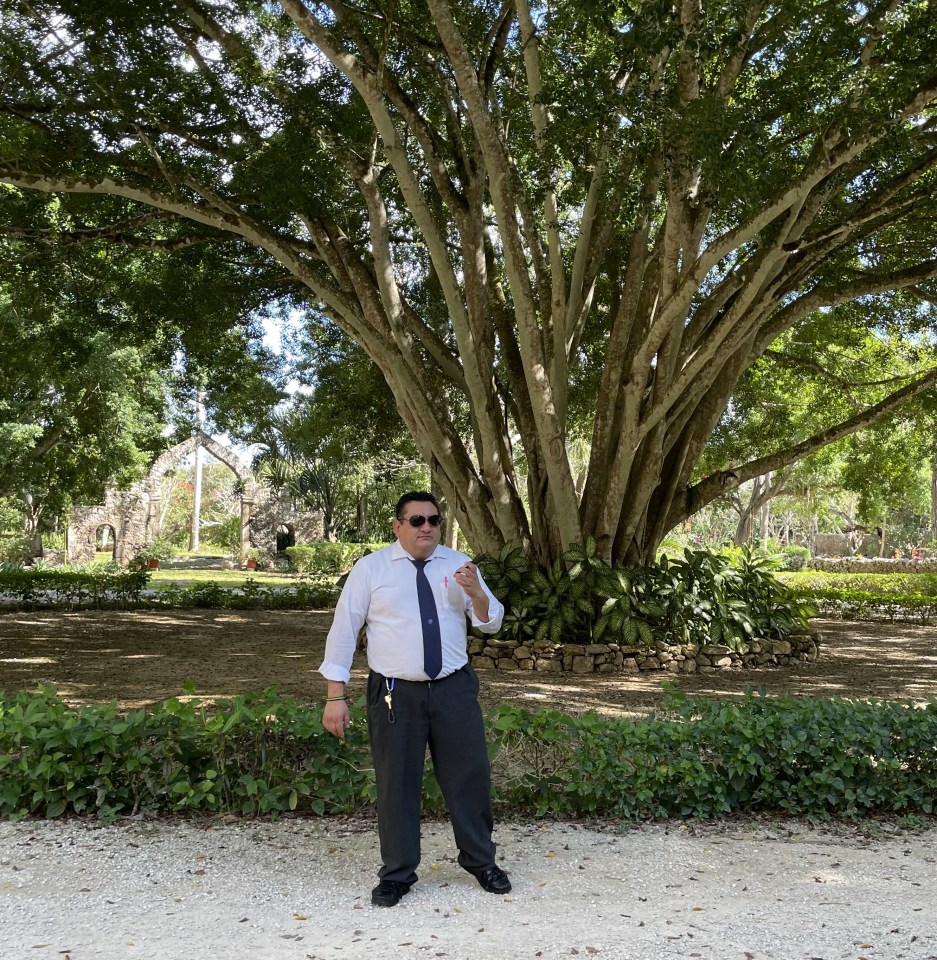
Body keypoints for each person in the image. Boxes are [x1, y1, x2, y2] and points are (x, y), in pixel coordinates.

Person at [319, 491, 510, 907]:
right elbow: (343, 632)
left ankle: (481, 862)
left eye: (434, 520)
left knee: (469, 779)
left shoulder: (459, 564)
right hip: (393, 693)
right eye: (417, 520)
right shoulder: (371, 569)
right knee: (396, 784)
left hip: (453, 689)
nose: (427, 527)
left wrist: (476, 591)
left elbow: (491, 621)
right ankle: (397, 874)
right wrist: (336, 695)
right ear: (397, 526)